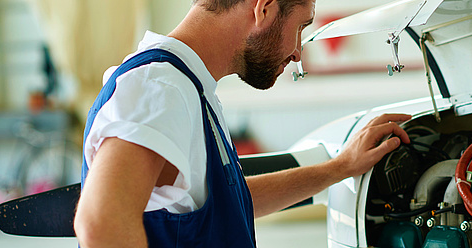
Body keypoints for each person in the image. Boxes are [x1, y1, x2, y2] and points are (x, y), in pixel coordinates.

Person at [73, 0, 411, 247]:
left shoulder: (188, 88)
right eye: (301, 26)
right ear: (263, 9)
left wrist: (340, 167)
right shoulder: (160, 87)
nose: (297, 52)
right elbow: (101, 224)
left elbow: (225, 202)